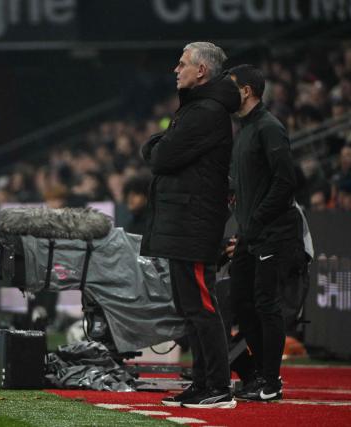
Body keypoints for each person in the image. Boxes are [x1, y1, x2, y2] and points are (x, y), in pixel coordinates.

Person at [141, 42, 240, 409]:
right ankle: (202, 383)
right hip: (187, 221)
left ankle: (217, 386)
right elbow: (162, 151)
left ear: (202, 71)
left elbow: (161, 155)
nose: (175, 69)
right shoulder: (198, 109)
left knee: (201, 306)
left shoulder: (206, 112)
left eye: (182, 64)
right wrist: (160, 145)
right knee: (191, 307)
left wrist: (158, 145)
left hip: (195, 222)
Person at [227, 64, 305, 402]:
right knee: (241, 302)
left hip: (271, 231)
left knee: (265, 303)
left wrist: (256, 218)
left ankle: (271, 381)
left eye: (230, 87)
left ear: (246, 91)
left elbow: (285, 181)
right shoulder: (244, 129)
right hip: (251, 231)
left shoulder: (269, 128)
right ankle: (260, 373)